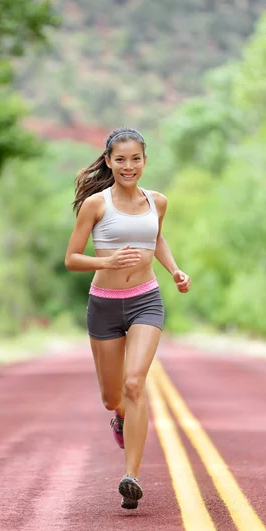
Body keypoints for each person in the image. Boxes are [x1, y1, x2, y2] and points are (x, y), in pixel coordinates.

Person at [65, 127, 191, 510]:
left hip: (145, 301)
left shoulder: (158, 202)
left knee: (136, 383)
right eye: (120, 159)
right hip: (104, 303)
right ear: (108, 161)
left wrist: (174, 270)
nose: (128, 166)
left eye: (135, 158)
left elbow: (158, 238)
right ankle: (120, 417)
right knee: (112, 397)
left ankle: (130, 477)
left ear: (144, 161)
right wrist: (106, 260)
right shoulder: (96, 205)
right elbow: (71, 258)